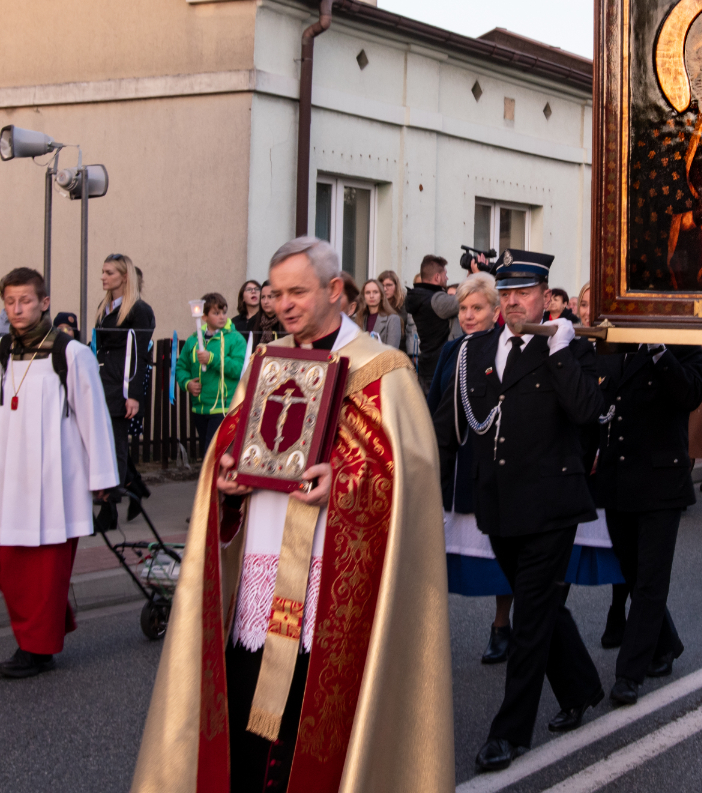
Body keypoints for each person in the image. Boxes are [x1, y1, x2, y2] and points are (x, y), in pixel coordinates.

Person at [131, 236, 453, 792]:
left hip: (331, 590)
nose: (283, 304)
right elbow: (230, 450)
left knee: (315, 730)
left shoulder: (383, 370)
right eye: (277, 293)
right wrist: (227, 481)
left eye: (296, 292)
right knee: (247, 725)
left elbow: (411, 481)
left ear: (335, 290)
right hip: (261, 562)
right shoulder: (265, 361)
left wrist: (346, 483)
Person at [433, 249, 604, 772]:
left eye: (523, 293)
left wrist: (558, 351)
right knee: (543, 607)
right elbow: (447, 425)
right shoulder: (475, 349)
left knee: (529, 618)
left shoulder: (564, 347)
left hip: (551, 504)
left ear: (545, 295)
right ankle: (580, 688)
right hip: (498, 505)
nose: (512, 303)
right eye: (505, 293)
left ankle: (508, 735)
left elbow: (586, 411)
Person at [0, 268, 117, 678]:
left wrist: (102, 479)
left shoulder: (70, 354)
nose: (17, 309)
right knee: (12, 566)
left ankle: (37, 649)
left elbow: (94, 418)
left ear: (44, 302)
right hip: (12, 480)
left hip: (55, 481)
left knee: (46, 570)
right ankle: (46, 628)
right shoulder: (3, 352)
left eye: (26, 300)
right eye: (10, 301)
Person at [589, 339, 702, 705]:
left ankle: (629, 674)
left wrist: (659, 352)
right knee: (634, 571)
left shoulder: (681, 347)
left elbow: (689, 395)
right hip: (617, 477)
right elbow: (599, 405)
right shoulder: (611, 345)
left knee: (651, 579)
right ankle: (666, 644)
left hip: (660, 480)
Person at [425, 273, 516, 665]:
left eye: (476, 308)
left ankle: (501, 625)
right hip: (451, 462)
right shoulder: (451, 351)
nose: (468, 315)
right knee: (437, 552)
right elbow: (434, 404)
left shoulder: (506, 349)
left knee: (499, 553)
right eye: (463, 308)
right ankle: (428, 630)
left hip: (490, 462)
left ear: (496, 311)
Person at [93, 253, 154, 518]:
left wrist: (133, 395)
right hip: (102, 382)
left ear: (124, 276)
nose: (103, 277)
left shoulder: (139, 310)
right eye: (103, 272)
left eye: (109, 273)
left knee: (116, 444)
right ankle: (131, 487)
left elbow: (139, 356)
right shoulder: (105, 307)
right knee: (103, 443)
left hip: (121, 385)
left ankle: (110, 506)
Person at [175, 292, 246, 458]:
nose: (222, 317)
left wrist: (212, 359)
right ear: (204, 316)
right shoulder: (193, 341)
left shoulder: (235, 339)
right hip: (199, 407)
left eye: (224, 312)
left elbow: (238, 369)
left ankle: (210, 483)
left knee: (212, 454)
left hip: (224, 407)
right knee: (210, 454)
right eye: (216, 313)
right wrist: (187, 383)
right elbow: (181, 367)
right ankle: (214, 482)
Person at [407, 255, 460, 393]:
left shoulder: (419, 296)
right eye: (445, 275)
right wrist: (476, 276)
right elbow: (466, 301)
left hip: (427, 365)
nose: (447, 279)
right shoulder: (436, 300)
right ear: (437, 277)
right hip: (440, 367)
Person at [378, 268, 417, 358]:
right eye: (382, 285)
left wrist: (412, 354)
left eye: (389, 285)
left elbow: (411, 330)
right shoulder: (376, 305)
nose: (385, 289)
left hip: (402, 350)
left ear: (396, 286)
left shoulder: (405, 303)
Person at [354, 278, 401, 348]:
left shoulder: (392, 319)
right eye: (367, 292)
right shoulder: (360, 318)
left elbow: (392, 350)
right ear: (364, 296)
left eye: (375, 292)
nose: (371, 296)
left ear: (381, 295)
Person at [248, 279, 284, 350]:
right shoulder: (253, 322)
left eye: (270, 297)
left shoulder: (286, 321)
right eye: (263, 297)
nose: (265, 301)